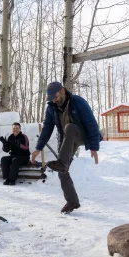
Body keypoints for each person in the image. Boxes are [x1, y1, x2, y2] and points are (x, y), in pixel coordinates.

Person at [31, 82, 101, 214]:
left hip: (80, 134)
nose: (54, 100)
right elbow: (47, 128)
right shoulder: (51, 108)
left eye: (56, 96)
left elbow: (91, 123)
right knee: (62, 170)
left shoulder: (78, 102)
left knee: (70, 127)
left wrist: (94, 147)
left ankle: (62, 163)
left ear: (62, 90)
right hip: (66, 139)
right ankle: (72, 201)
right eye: (52, 98)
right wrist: (38, 148)